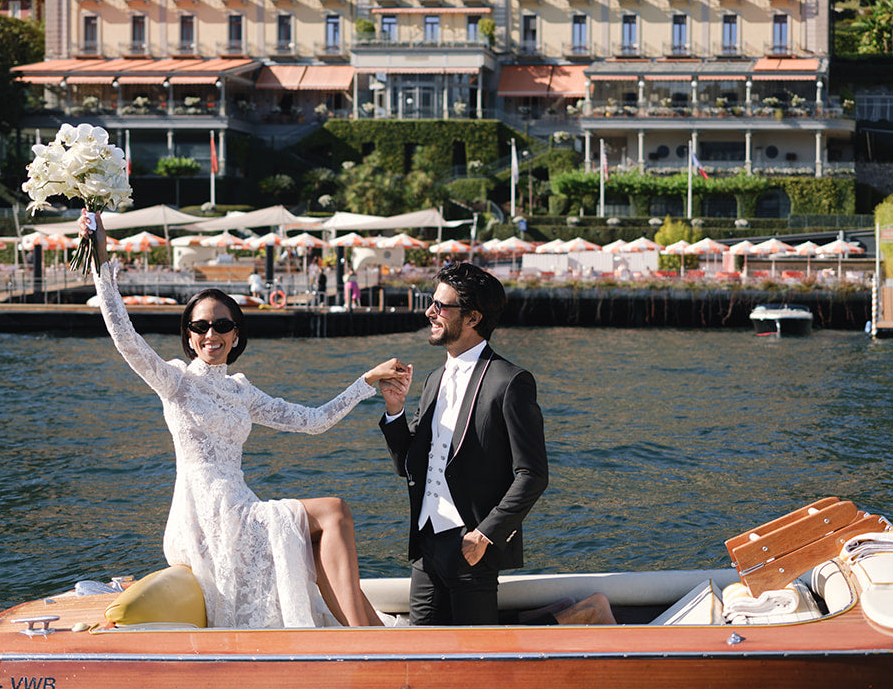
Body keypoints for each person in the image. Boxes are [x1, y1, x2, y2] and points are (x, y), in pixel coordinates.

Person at [83, 211, 406, 629]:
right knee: (334, 511)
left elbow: (313, 421)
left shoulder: (240, 390)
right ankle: (366, 638)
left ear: (236, 334)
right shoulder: (175, 382)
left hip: (241, 508)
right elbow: (125, 338)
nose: (210, 334)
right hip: (206, 519)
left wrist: (366, 382)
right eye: (200, 326)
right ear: (188, 335)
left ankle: (371, 636)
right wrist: (101, 263)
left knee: (325, 527)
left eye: (221, 325)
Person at [379, 260, 548, 626]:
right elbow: (408, 466)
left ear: (472, 318)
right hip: (426, 544)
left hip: (472, 546)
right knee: (421, 655)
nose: (430, 312)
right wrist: (394, 412)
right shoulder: (433, 379)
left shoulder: (511, 381)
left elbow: (532, 474)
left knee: (476, 659)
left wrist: (485, 535)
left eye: (441, 306)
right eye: (432, 303)